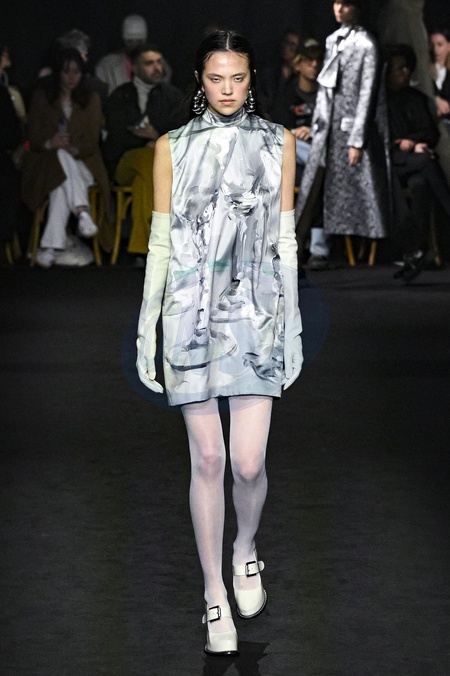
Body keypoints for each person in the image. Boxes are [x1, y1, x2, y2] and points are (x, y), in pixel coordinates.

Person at [136, 31, 302, 655]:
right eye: (215, 78)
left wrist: (294, 322)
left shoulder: (279, 142)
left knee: (248, 463)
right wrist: (147, 323)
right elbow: (159, 242)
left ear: (252, 78)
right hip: (189, 312)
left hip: (256, 310)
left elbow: (285, 238)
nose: (227, 90)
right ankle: (213, 593)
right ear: (199, 80)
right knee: (208, 459)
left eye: (238, 78)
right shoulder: (171, 147)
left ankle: (245, 548)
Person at [295, 0, 390, 248]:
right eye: (337, 2)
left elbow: (366, 95)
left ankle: (318, 248)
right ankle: (295, 246)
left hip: (347, 133)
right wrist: (318, 122)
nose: (339, 9)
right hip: (325, 129)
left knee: (358, 198)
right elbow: (325, 90)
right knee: (311, 188)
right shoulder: (332, 40)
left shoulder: (366, 44)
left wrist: (356, 140)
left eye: (346, 4)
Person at [21, 48, 113, 267]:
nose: (71, 77)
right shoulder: (43, 98)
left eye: (76, 72)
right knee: (59, 171)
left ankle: (49, 248)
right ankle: (81, 212)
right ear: (58, 73)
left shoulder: (90, 99)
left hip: (84, 164)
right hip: (47, 165)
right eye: (66, 71)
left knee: (61, 176)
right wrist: (50, 143)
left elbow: (92, 139)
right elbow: (32, 137)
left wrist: (74, 149)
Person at [102, 44, 185, 257]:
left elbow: (183, 133)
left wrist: (156, 136)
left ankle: (144, 247)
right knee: (149, 159)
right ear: (135, 68)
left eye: (159, 62)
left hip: (161, 167)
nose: (157, 68)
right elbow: (115, 135)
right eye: (149, 63)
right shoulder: (120, 96)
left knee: (144, 181)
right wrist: (146, 141)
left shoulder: (172, 96)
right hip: (126, 162)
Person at [386, 44, 450, 282]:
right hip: (391, 163)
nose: (403, 73)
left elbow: (431, 133)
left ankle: (414, 251)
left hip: (413, 162)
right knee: (426, 162)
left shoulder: (417, 99)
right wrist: (407, 144)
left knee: (421, 183)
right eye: (398, 68)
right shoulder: (380, 103)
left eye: (406, 68)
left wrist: (413, 142)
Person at [271, 38, 330, 269]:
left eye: (319, 60)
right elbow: (275, 131)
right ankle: (318, 249)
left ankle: (305, 246)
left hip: (319, 155)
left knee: (315, 175)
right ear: (298, 64)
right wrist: (293, 133)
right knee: (313, 164)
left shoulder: (328, 95)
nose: (314, 65)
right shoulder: (287, 94)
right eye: (309, 60)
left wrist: (314, 131)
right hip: (290, 154)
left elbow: (339, 130)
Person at [95, 14, 172, 95]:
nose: (134, 46)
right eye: (130, 41)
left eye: (139, 41)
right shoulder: (107, 66)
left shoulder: (161, 67)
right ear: (124, 40)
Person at [430, 28, 450, 134]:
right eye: (432, 45)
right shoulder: (426, 71)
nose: (435, 49)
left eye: (440, 45)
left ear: (448, 46)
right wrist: (435, 99)